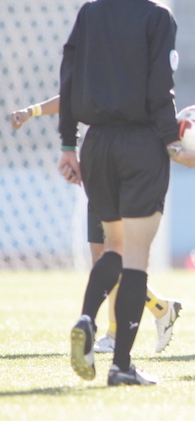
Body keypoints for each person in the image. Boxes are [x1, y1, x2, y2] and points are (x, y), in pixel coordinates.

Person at [60, 0, 195, 386]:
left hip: (97, 143)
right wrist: (174, 145)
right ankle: (122, 366)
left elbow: (68, 80)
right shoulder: (158, 16)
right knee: (136, 256)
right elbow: (159, 90)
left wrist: (69, 144)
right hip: (140, 144)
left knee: (113, 245)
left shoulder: (89, 12)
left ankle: (87, 317)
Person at [11, 97, 183, 355]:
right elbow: (72, 94)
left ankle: (115, 333)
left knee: (119, 255)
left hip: (128, 163)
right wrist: (32, 110)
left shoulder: (130, 68)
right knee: (102, 260)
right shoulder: (95, 67)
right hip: (99, 164)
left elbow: (159, 94)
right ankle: (161, 309)